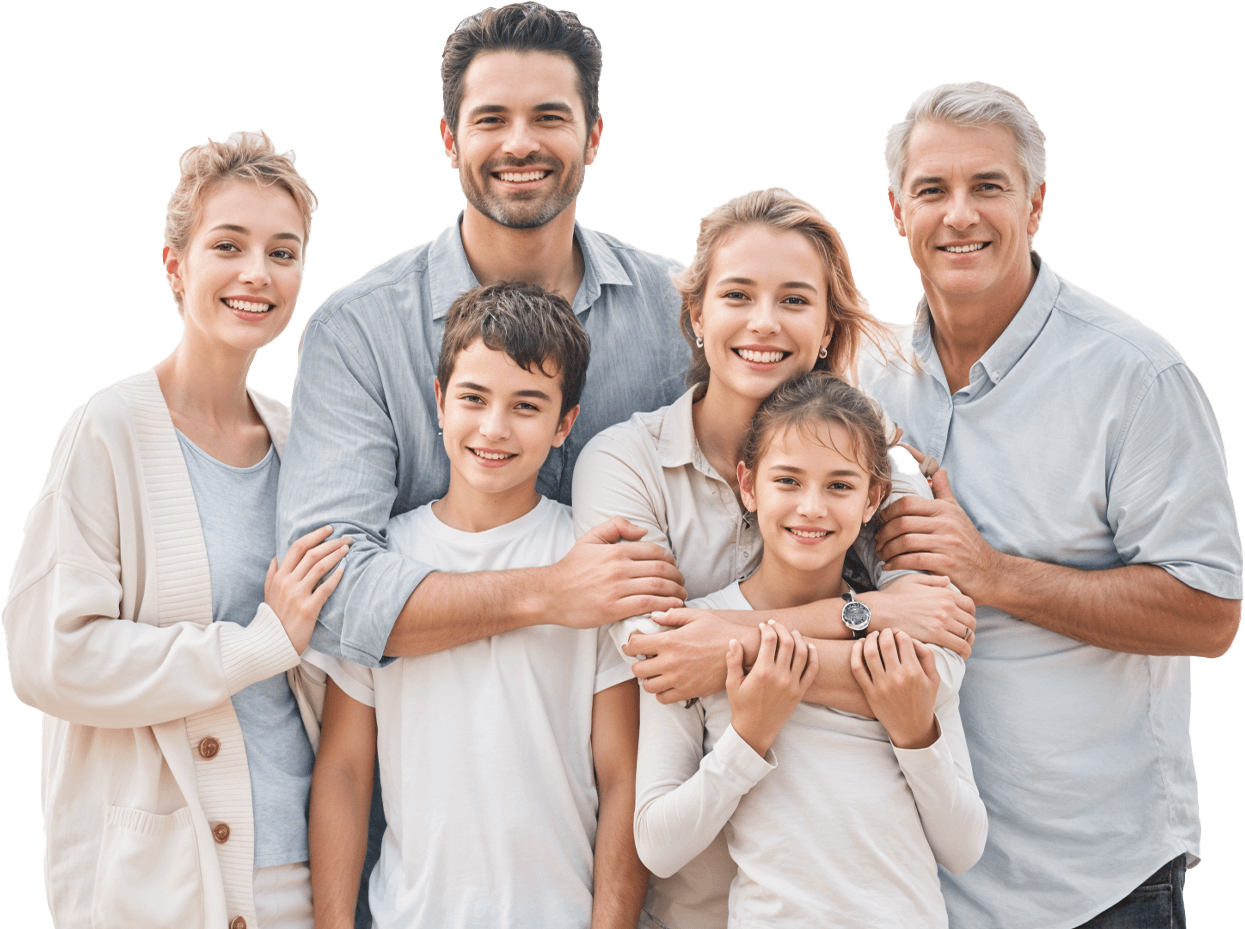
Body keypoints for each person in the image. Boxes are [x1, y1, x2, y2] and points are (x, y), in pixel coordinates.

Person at [861, 81, 1242, 928]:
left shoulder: (1134, 377)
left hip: (1094, 883)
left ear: (1034, 202)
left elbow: (1208, 613)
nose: (958, 214)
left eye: (986, 186)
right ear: (896, 210)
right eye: (932, 190)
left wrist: (990, 574)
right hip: (914, 882)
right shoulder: (867, 376)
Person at [571, 187, 978, 928]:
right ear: (696, 316)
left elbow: (935, 670)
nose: (763, 323)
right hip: (695, 901)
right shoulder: (624, 461)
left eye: (794, 299)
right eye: (736, 295)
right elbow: (657, 656)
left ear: (825, 327)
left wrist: (727, 647)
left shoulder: (881, 453)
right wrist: (870, 612)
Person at [2, 130, 349, 928]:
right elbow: (52, 658)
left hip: (303, 876)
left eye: (283, 251)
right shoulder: (109, 432)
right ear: (175, 264)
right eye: (228, 244)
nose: (258, 272)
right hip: (161, 883)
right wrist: (257, 643)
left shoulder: (306, 444)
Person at [308, 281, 645, 928]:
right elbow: (346, 771)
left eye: (526, 405)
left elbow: (622, 777)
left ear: (564, 423)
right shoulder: (385, 563)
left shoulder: (590, 557)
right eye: (472, 397)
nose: (493, 427)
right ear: (439, 401)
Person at [633, 371, 986, 928]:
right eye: (788, 481)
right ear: (749, 486)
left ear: (874, 497)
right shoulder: (690, 640)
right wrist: (747, 739)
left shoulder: (909, 634)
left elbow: (964, 847)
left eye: (840, 486)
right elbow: (657, 844)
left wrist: (916, 735)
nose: (812, 507)